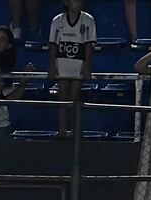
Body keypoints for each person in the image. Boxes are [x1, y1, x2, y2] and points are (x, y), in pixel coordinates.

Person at [48, 0, 96, 138]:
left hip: (78, 63)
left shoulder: (88, 19)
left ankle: (74, 129)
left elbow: (88, 45)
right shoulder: (57, 20)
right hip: (62, 62)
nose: (79, 3)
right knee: (62, 97)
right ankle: (62, 129)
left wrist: (87, 66)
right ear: (67, 2)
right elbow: (53, 45)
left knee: (74, 96)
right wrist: (51, 66)